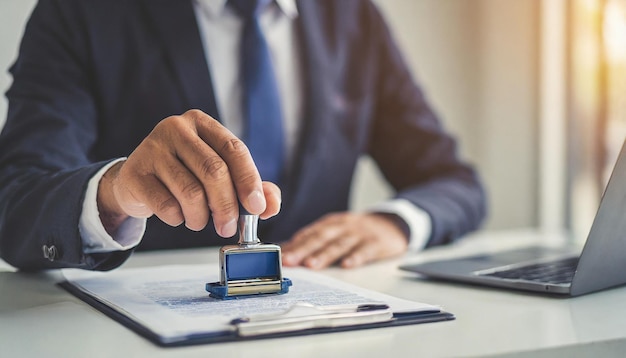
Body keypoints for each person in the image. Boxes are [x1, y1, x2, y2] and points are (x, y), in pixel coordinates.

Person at [0, 0, 486, 272]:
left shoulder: (353, 17)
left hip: (325, 329)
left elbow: (453, 181)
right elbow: (15, 203)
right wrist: (115, 191)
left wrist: (395, 223)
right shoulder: (80, 13)